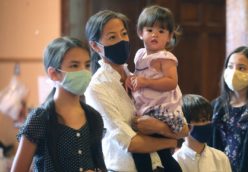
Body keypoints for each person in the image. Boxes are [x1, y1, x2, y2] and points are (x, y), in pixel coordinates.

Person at [84, 10, 188, 172]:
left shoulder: (143, 78)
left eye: (124, 34)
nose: (121, 41)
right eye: (112, 37)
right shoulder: (97, 88)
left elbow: (184, 128)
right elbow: (129, 142)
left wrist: (158, 127)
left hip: (160, 165)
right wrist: (169, 141)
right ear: (95, 46)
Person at [10, 37, 107, 172]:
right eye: (74, 65)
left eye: (86, 65)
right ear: (54, 74)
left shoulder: (93, 117)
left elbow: (99, 164)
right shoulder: (40, 118)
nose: (83, 72)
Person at [125, 5, 185, 172]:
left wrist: (145, 82)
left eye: (161, 31)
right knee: (144, 152)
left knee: (161, 153)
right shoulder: (139, 55)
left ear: (170, 36)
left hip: (161, 110)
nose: (154, 34)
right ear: (140, 32)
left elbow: (171, 82)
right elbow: (138, 76)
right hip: (145, 107)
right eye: (150, 29)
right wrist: (132, 80)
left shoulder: (165, 57)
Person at [173, 94, 232, 172]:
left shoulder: (221, 158)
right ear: (185, 124)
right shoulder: (176, 161)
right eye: (203, 120)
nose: (208, 124)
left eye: (209, 119)